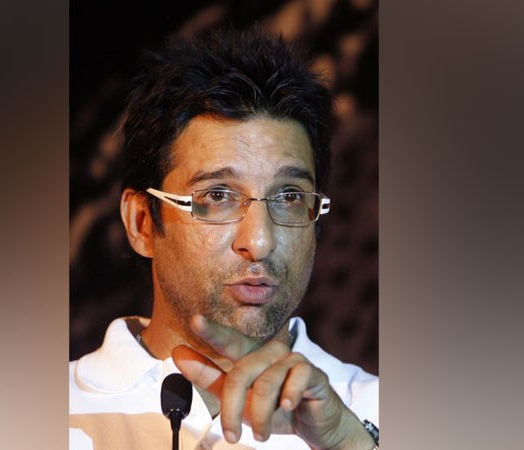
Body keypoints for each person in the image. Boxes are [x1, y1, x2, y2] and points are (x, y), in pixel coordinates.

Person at [69, 25, 379, 450]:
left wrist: (350, 443)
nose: (260, 241)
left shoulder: (374, 413)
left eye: (289, 197)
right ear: (142, 223)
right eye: (217, 196)